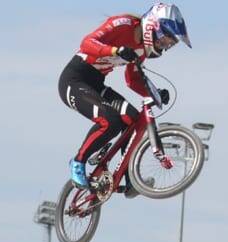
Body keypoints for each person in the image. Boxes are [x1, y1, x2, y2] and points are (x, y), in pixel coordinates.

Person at [58, 3, 190, 189]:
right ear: (153, 26)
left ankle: (128, 177)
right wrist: (115, 51)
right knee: (110, 121)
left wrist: (154, 94)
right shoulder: (123, 24)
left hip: (96, 84)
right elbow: (86, 43)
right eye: (166, 39)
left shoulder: (141, 49)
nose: (165, 45)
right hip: (74, 81)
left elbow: (132, 79)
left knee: (133, 119)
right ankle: (78, 161)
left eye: (170, 44)